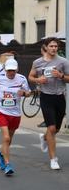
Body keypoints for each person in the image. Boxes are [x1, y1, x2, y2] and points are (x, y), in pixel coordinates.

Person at [28, 37, 69, 170]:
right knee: (51, 128)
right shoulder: (37, 62)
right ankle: (53, 159)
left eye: (56, 46)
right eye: (51, 46)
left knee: (56, 129)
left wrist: (61, 76)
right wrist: (38, 80)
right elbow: (31, 76)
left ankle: (44, 137)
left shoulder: (63, 62)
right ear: (45, 47)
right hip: (46, 97)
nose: (54, 49)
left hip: (60, 97)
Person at [0, 59, 30, 175]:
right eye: (9, 70)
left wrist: (24, 93)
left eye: (13, 70)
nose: (11, 73)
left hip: (15, 113)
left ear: (17, 69)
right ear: (5, 70)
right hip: (2, 111)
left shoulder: (21, 79)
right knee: (6, 138)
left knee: (9, 139)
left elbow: (28, 92)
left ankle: (1, 154)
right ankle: (8, 164)